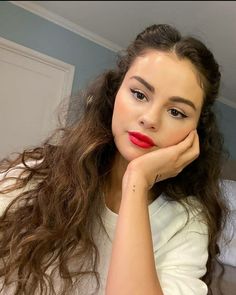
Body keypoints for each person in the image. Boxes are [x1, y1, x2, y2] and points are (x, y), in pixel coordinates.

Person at [0, 24, 230, 295]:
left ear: (196, 133)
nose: (150, 119)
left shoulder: (187, 223)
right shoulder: (36, 173)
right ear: (115, 93)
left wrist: (137, 179)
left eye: (176, 112)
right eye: (139, 94)